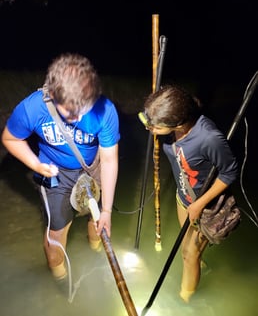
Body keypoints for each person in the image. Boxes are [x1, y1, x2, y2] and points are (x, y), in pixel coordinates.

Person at [1, 53, 120, 281]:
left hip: (91, 166)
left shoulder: (106, 110)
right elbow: (10, 139)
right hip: (55, 172)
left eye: (84, 110)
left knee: (99, 221)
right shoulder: (33, 108)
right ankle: (60, 285)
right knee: (57, 232)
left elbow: (109, 160)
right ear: (53, 96)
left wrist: (106, 210)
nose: (78, 119)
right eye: (71, 113)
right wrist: (36, 164)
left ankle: (95, 259)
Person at [139, 84, 238, 303]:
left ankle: (184, 301)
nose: (149, 129)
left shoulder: (208, 138)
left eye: (154, 126)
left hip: (205, 206)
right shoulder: (171, 131)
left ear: (178, 123)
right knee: (187, 246)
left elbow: (230, 172)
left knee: (188, 254)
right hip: (183, 197)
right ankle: (199, 262)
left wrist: (199, 204)